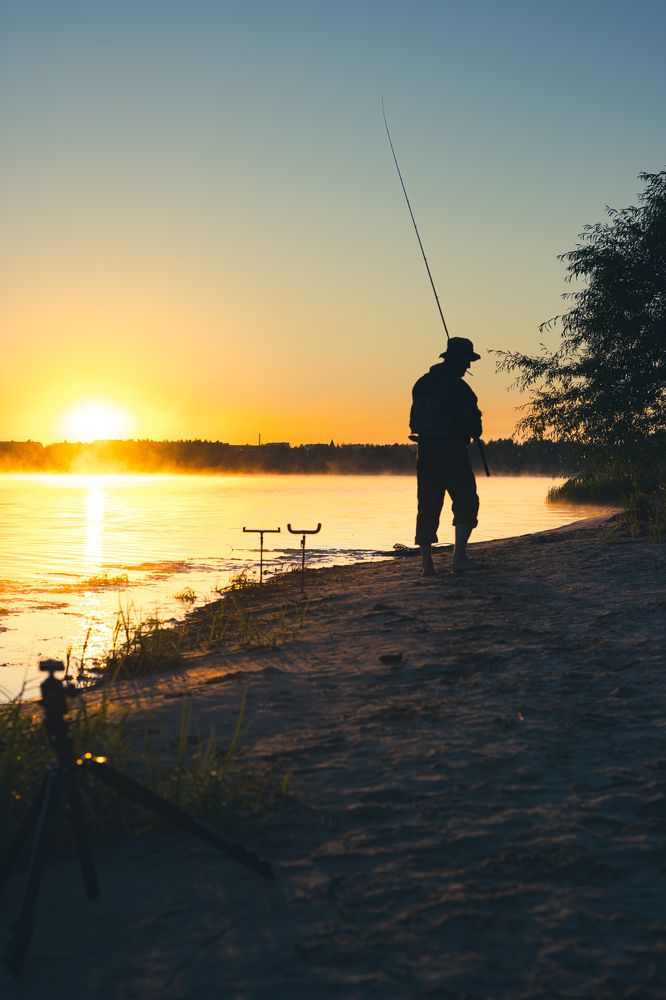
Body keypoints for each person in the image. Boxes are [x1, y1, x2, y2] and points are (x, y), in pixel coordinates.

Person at [410, 337, 483, 576]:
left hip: (426, 453)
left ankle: (426, 565)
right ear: (457, 361)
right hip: (453, 452)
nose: (468, 367)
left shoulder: (421, 384)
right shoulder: (460, 388)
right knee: (466, 501)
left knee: (427, 506)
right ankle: (459, 559)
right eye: (467, 362)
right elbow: (474, 426)